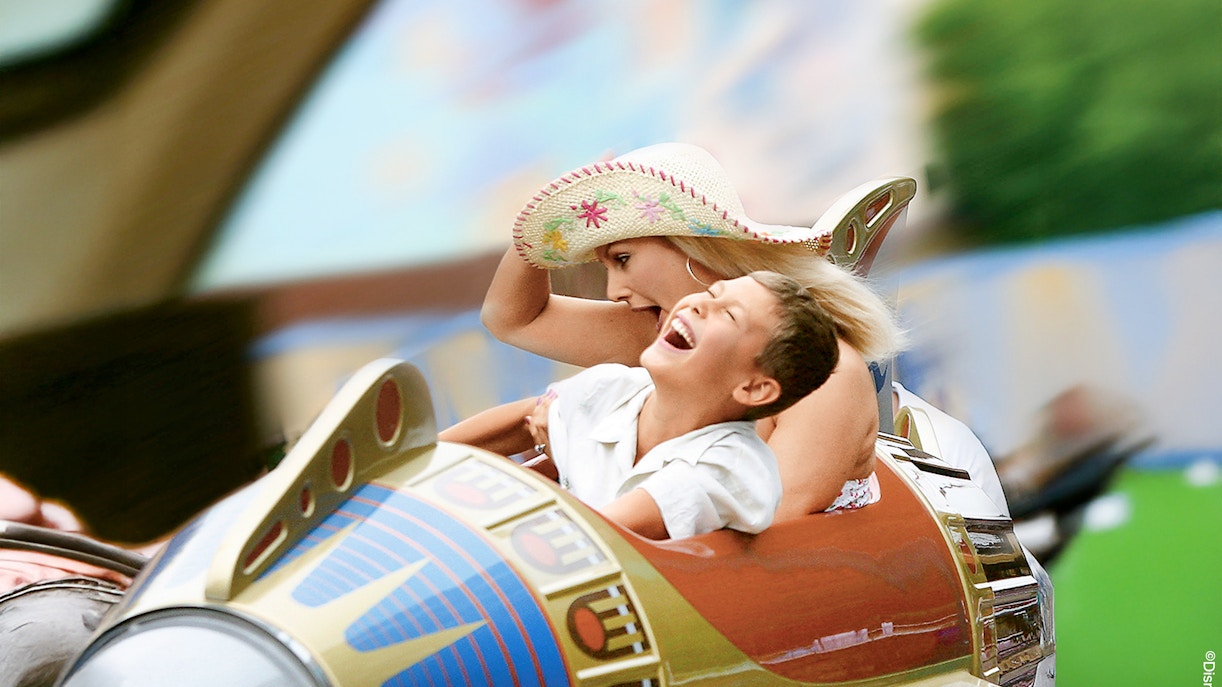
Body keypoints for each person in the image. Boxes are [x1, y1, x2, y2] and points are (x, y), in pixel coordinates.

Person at [481, 142, 905, 518]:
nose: (613, 292)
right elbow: (512, 318)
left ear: (692, 248)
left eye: (623, 259)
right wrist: (547, 219)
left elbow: (774, 528)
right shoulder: (667, 336)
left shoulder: (830, 374)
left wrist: (579, 477)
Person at [440, 272, 842, 539]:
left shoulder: (730, 466)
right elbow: (526, 420)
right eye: (711, 293)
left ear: (754, 389)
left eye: (729, 315)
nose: (698, 304)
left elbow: (602, 536)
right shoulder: (612, 387)